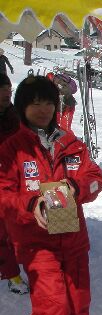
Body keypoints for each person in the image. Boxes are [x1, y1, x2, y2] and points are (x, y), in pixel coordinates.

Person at [0, 75, 102, 315]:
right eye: (35, 103)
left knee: (78, 301)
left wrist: (77, 187)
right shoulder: (12, 148)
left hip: (72, 237)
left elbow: (95, 178)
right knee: (52, 307)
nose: (43, 109)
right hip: (36, 243)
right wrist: (31, 204)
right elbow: (3, 195)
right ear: (22, 107)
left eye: (48, 102)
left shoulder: (71, 143)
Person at [0, 73, 29, 295]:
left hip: (17, 178)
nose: (6, 93)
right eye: (2, 89)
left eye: (8, 89)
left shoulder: (16, 115)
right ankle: (12, 275)